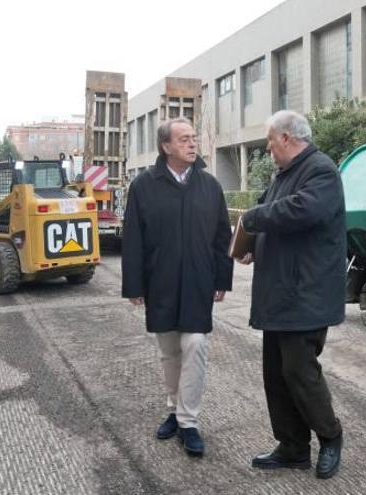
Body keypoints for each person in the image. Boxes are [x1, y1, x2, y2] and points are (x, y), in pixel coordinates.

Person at [237, 110, 345, 479]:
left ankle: (331, 437)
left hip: (306, 295)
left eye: (269, 141)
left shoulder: (321, 170)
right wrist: (253, 244)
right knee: (276, 375)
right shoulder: (282, 176)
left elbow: (302, 211)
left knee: (299, 371)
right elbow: (273, 217)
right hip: (279, 295)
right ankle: (293, 447)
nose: (268, 148)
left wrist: (252, 220)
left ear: (286, 137)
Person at [121, 117, 233, 458]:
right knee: (169, 352)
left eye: (193, 138)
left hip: (199, 282)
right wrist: (134, 285)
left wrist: (222, 278)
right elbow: (134, 240)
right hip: (161, 284)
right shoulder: (143, 187)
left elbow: (222, 237)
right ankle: (173, 408)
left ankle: (188, 421)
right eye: (184, 139)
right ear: (166, 146)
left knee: (195, 345)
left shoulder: (209, 186)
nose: (192, 144)